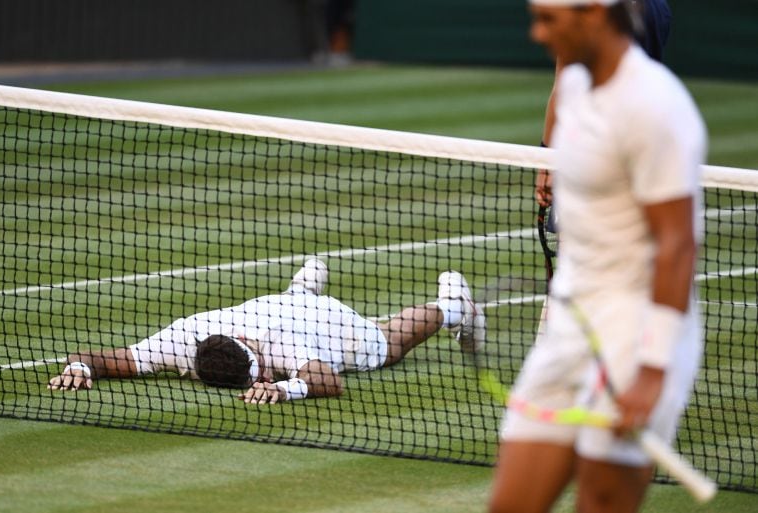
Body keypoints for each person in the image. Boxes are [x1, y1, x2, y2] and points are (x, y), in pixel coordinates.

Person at [488, 1, 706, 513]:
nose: (536, 34)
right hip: (571, 321)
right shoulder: (578, 89)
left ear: (593, 16)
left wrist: (652, 370)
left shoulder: (656, 108)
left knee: (600, 503)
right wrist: (549, 157)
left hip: (634, 327)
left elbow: (676, 246)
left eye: (548, 20)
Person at [48, 259, 485, 404]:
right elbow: (111, 357)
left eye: (259, 374)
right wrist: (82, 367)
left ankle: (453, 306)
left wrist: (288, 389)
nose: (260, 381)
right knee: (294, 301)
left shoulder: (281, 342)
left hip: (328, 326)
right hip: (282, 307)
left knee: (389, 343)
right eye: (256, 380)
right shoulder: (182, 338)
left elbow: (329, 381)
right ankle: (300, 287)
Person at [536, 0, 671, 208]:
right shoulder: (656, 9)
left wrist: (547, 159)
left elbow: (562, 88)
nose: (538, 33)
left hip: (595, 164)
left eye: (546, 19)